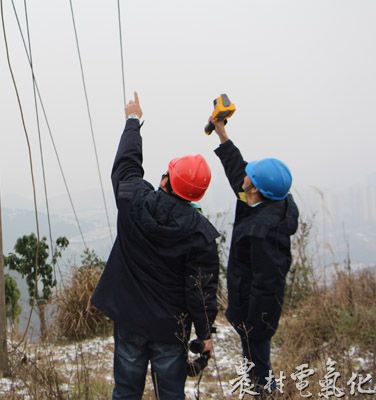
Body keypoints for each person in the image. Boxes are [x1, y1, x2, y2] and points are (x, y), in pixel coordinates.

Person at [91, 92, 220, 400]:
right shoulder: (200, 234)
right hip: (170, 330)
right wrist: (204, 334)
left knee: (125, 392)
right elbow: (201, 291)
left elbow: (126, 165)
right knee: (171, 394)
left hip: (130, 320)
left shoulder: (134, 200)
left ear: (166, 180)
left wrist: (132, 121)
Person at [210, 116, 299, 392]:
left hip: (256, 317)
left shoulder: (265, 232)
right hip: (250, 311)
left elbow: (267, 284)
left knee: (258, 370)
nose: (244, 176)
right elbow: (240, 171)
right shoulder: (268, 198)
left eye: (250, 177)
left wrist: (251, 324)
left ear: (255, 189)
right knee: (255, 366)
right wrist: (222, 135)